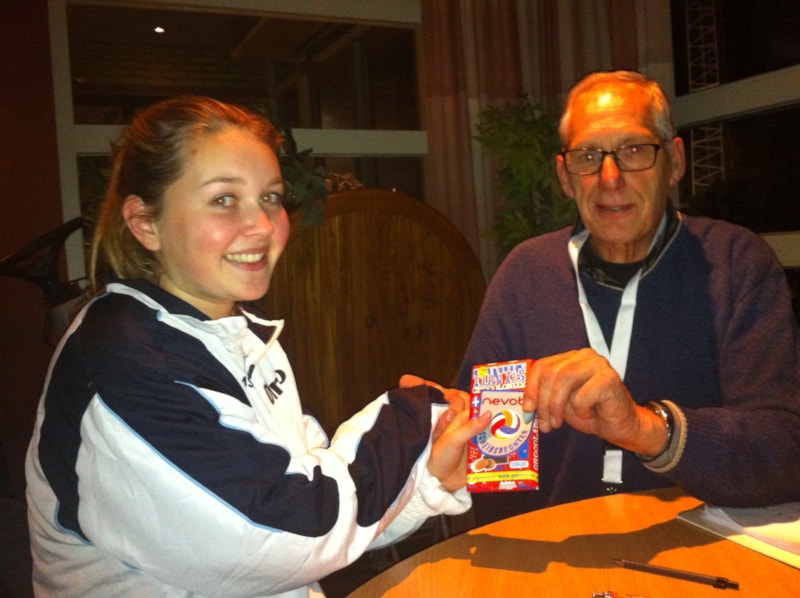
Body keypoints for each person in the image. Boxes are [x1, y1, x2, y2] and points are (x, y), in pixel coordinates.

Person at [25, 96, 491, 597]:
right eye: (224, 199)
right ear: (145, 223)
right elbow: (293, 533)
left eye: (270, 197)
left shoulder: (236, 332)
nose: (264, 225)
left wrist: (428, 477)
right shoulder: (124, 360)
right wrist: (411, 416)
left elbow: (317, 506)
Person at [457, 70, 800, 526]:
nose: (610, 177)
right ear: (565, 176)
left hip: (700, 545)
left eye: (634, 150)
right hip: (558, 545)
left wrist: (647, 430)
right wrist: (428, 427)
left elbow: (786, 448)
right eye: (588, 155)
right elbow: (484, 453)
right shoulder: (526, 274)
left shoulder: (734, 263)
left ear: (674, 162)